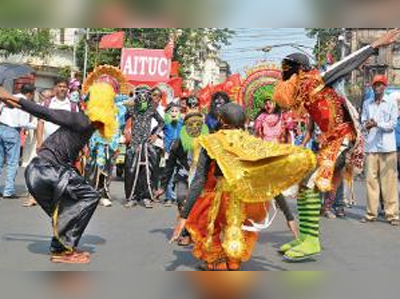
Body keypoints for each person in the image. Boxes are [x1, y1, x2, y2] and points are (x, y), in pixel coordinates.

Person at [273, 28, 400, 261]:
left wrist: (375, 45)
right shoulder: (303, 92)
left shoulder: (317, 80)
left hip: (344, 139)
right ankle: (304, 237)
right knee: (303, 184)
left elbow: (346, 64)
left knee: (311, 184)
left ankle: (312, 242)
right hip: (330, 140)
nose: (285, 78)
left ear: (300, 71)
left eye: (288, 73)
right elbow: (314, 114)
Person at [170, 103, 316, 271]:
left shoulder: (211, 141)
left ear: (221, 120)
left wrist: (184, 216)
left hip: (220, 198)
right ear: (244, 121)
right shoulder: (252, 143)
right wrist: (289, 216)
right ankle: (231, 263)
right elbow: (269, 182)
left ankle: (218, 263)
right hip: (244, 199)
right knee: (234, 233)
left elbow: (198, 181)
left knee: (214, 232)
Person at [0, 69, 123, 264]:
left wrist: (13, 102)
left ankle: (63, 246)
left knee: (69, 206)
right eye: (111, 104)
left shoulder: (89, 124)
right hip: (45, 170)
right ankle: (63, 250)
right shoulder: (81, 120)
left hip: (43, 172)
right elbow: (45, 112)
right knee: (89, 196)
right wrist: (10, 97)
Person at [159, 111, 209, 245]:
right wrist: (163, 187)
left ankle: (200, 231)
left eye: (198, 124)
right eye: (190, 125)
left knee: (202, 206)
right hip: (183, 177)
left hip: (203, 179)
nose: (194, 128)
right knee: (182, 198)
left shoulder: (210, 143)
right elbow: (169, 166)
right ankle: (186, 232)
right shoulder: (177, 143)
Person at [360, 75, 400, 226]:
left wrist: (377, 124)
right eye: (375, 84)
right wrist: (366, 125)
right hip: (371, 147)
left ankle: (392, 215)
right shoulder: (367, 103)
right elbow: (362, 123)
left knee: (389, 182)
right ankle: (371, 213)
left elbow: (392, 124)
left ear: (385, 86)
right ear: (372, 86)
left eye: (380, 84)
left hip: (388, 148)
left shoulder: (391, 103)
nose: (377, 87)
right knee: (371, 181)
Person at [124, 87, 165, 209]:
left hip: (147, 145)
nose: (142, 97)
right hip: (134, 144)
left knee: (148, 171)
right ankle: (132, 197)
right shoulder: (131, 109)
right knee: (131, 170)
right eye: (140, 95)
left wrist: (155, 134)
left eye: (145, 94)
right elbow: (123, 120)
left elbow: (162, 122)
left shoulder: (151, 108)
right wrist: (127, 132)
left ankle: (147, 197)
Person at [0, 83, 36, 199]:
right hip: (12, 131)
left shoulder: (9, 97)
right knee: (12, 162)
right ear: (30, 94)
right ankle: (8, 191)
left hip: (1, 127)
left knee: (0, 161)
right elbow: (23, 123)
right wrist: (36, 126)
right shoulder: (22, 103)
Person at [36, 78, 79, 149]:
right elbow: (40, 123)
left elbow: (76, 127)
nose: (62, 89)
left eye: (64, 87)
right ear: (55, 88)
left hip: (65, 147)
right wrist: (39, 142)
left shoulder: (73, 107)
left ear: (67, 89)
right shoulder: (46, 104)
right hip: (47, 145)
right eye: (59, 86)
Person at [163, 102, 184, 207]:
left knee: (180, 174)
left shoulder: (182, 123)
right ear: (168, 113)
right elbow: (156, 133)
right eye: (172, 111)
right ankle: (168, 197)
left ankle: (181, 197)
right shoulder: (165, 123)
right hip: (169, 152)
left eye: (176, 111)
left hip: (181, 153)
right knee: (169, 175)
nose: (174, 113)